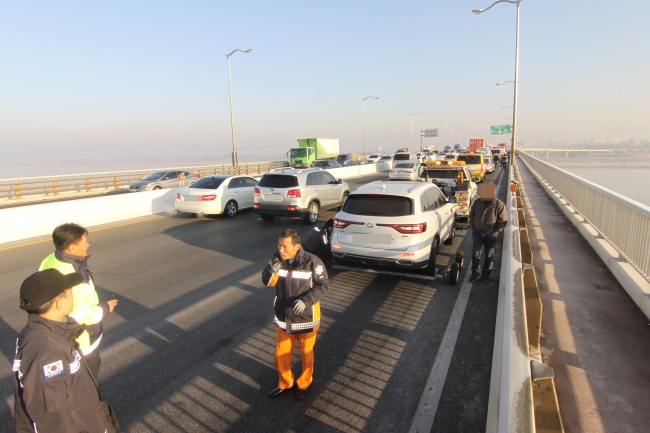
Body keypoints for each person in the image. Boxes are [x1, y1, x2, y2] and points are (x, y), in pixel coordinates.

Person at [13, 268, 118, 433]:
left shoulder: (43, 333)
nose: (73, 296)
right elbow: (56, 422)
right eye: (70, 292)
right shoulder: (48, 353)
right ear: (59, 303)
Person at [39, 223, 118, 379]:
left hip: (55, 331)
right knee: (86, 382)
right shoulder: (75, 276)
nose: (88, 245)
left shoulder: (50, 259)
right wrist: (105, 308)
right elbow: (81, 315)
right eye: (84, 241)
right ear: (71, 248)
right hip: (80, 339)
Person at [261, 228, 329, 401]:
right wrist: (271, 269)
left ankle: (304, 383)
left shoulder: (313, 262)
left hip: (306, 319)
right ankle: (285, 383)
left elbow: (322, 285)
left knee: (307, 355)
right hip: (284, 318)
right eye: (279, 245)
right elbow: (268, 282)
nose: (281, 250)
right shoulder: (277, 260)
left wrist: (306, 301)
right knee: (280, 355)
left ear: (297, 246)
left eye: (285, 246)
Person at [468, 183, 507, 282]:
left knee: (489, 255)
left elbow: (502, 221)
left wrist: (495, 231)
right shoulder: (477, 203)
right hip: (477, 233)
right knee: (476, 254)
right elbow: (471, 215)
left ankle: (486, 274)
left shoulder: (499, 205)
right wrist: (473, 226)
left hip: (491, 235)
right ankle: (475, 273)